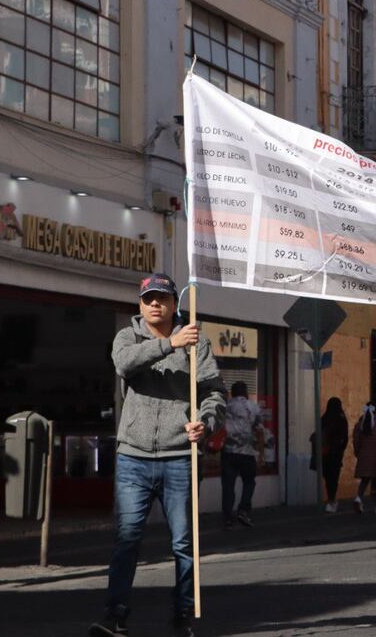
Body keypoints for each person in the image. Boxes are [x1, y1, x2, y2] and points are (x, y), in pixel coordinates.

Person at [90, 273, 225, 637]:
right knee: (127, 538)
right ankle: (115, 615)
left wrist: (205, 421)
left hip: (180, 457)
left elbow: (214, 392)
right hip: (133, 458)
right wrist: (170, 344)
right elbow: (124, 364)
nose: (154, 304)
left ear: (173, 304)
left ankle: (183, 616)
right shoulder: (128, 336)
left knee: (183, 543)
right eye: (148, 298)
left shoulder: (198, 342)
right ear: (140, 304)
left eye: (162, 298)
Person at [221, 381, 264, 529]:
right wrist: (261, 454)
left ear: (232, 392)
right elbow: (259, 431)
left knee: (228, 485)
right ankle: (243, 510)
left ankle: (228, 517)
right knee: (249, 482)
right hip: (247, 452)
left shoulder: (225, 406)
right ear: (245, 392)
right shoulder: (253, 407)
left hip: (228, 452)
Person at [319, 397, 349, 512]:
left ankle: (330, 499)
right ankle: (332, 499)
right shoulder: (341, 418)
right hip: (336, 453)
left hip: (325, 452)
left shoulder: (324, 418)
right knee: (334, 476)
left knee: (327, 477)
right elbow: (345, 436)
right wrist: (341, 449)